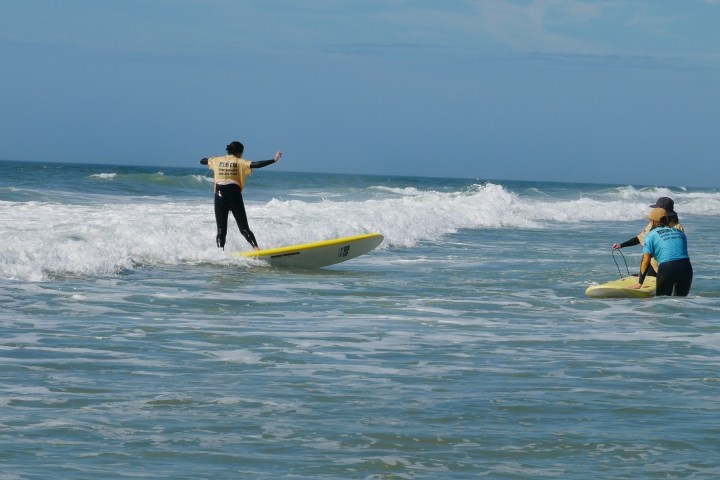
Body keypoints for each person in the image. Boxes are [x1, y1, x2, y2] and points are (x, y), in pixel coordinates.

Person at [200, 141, 282, 250]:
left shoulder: (216, 160)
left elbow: (202, 161)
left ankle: (219, 253)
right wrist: (274, 160)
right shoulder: (240, 161)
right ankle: (256, 247)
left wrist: (211, 158)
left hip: (219, 195)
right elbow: (256, 164)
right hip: (234, 195)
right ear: (239, 152)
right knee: (244, 228)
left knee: (221, 231)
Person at [612, 197, 684, 276]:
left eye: (657, 208)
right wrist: (621, 245)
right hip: (652, 265)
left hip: (667, 267)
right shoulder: (653, 224)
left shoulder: (677, 227)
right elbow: (640, 238)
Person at [630, 207, 693, 296]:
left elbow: (646, 259)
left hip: (668, 268)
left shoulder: (650, 235)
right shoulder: (679, 232)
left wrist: (640, 282)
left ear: (653, 221)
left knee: (662, 302)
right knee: (681, 302)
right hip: (686, 268)